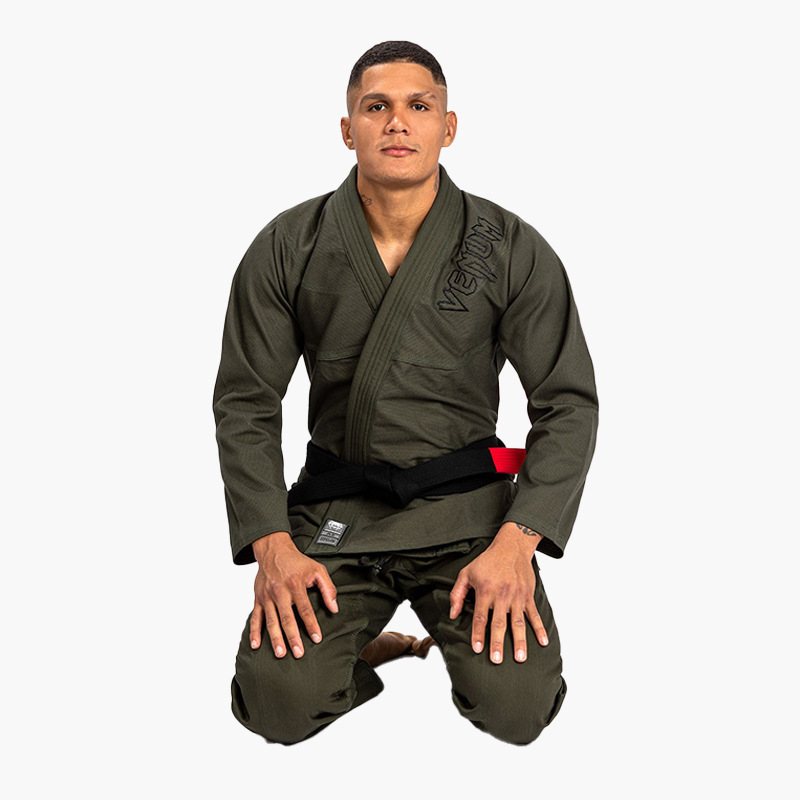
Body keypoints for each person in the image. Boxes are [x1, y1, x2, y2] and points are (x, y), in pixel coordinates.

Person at [212, 40, 599, 746]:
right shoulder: (289, 245)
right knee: (276, 703)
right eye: (376, 107)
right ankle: (357, 652)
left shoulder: (509, 246)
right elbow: (246, 402)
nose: (397, 122)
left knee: (517, 709)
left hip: (470, 519)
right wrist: (272, 544)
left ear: (447, 127)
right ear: (347, 129)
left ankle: (440, 643)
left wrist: (518, 542)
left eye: (419, 106)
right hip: (339, 517)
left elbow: (567, 403)